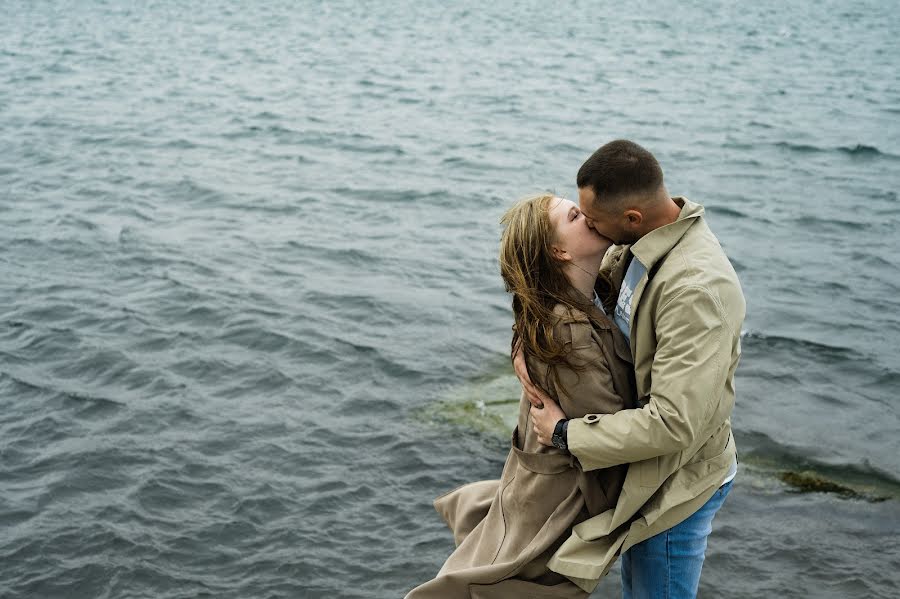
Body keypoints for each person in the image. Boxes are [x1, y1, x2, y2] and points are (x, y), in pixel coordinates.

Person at [519, 140, 746, 598]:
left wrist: (565, 434)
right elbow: (559, 280)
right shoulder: (640, 243)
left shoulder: (695, 289)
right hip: (648, 471)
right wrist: (525, 346)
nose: (588, 225)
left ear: (632, 218)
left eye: (592, 219)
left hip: (677, 485)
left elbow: (674, 423)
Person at [405, 193, 638, 598]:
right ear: (559, 250)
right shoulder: (567, 329)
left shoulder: (590, 291)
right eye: (575, 216)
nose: (591, 217)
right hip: (558, 497)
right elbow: (610, 432)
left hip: (539, 479)